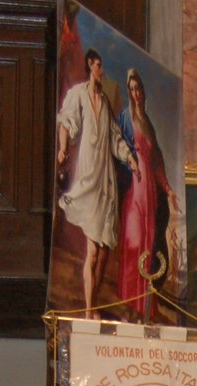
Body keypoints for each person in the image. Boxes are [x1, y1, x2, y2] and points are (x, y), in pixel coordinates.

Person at [57, 49, 137, 315]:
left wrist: (131, 159)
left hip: (106, 180)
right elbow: (66, 123)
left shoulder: (104, 101)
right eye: (99, 65)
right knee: (92, 251)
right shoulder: (78, 95)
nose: (102, 70)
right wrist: (62, 148)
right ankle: (89, 309)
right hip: (88, 175)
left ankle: (93, 304)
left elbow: (115, 138)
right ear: (90, 66)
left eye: (102, 65)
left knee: (103, 250)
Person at [116, 69, 175, 320]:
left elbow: (157, 160)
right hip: (134, 188)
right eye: (131, 89)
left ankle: (144, 305)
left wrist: (169, 189)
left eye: (138, 88)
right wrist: (130, 164)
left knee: (149, 244)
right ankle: (129, 303)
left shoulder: (147, 122)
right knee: (133, 241)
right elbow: (117, 149)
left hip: (150, 189)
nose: (135, 93)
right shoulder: (125, 119)